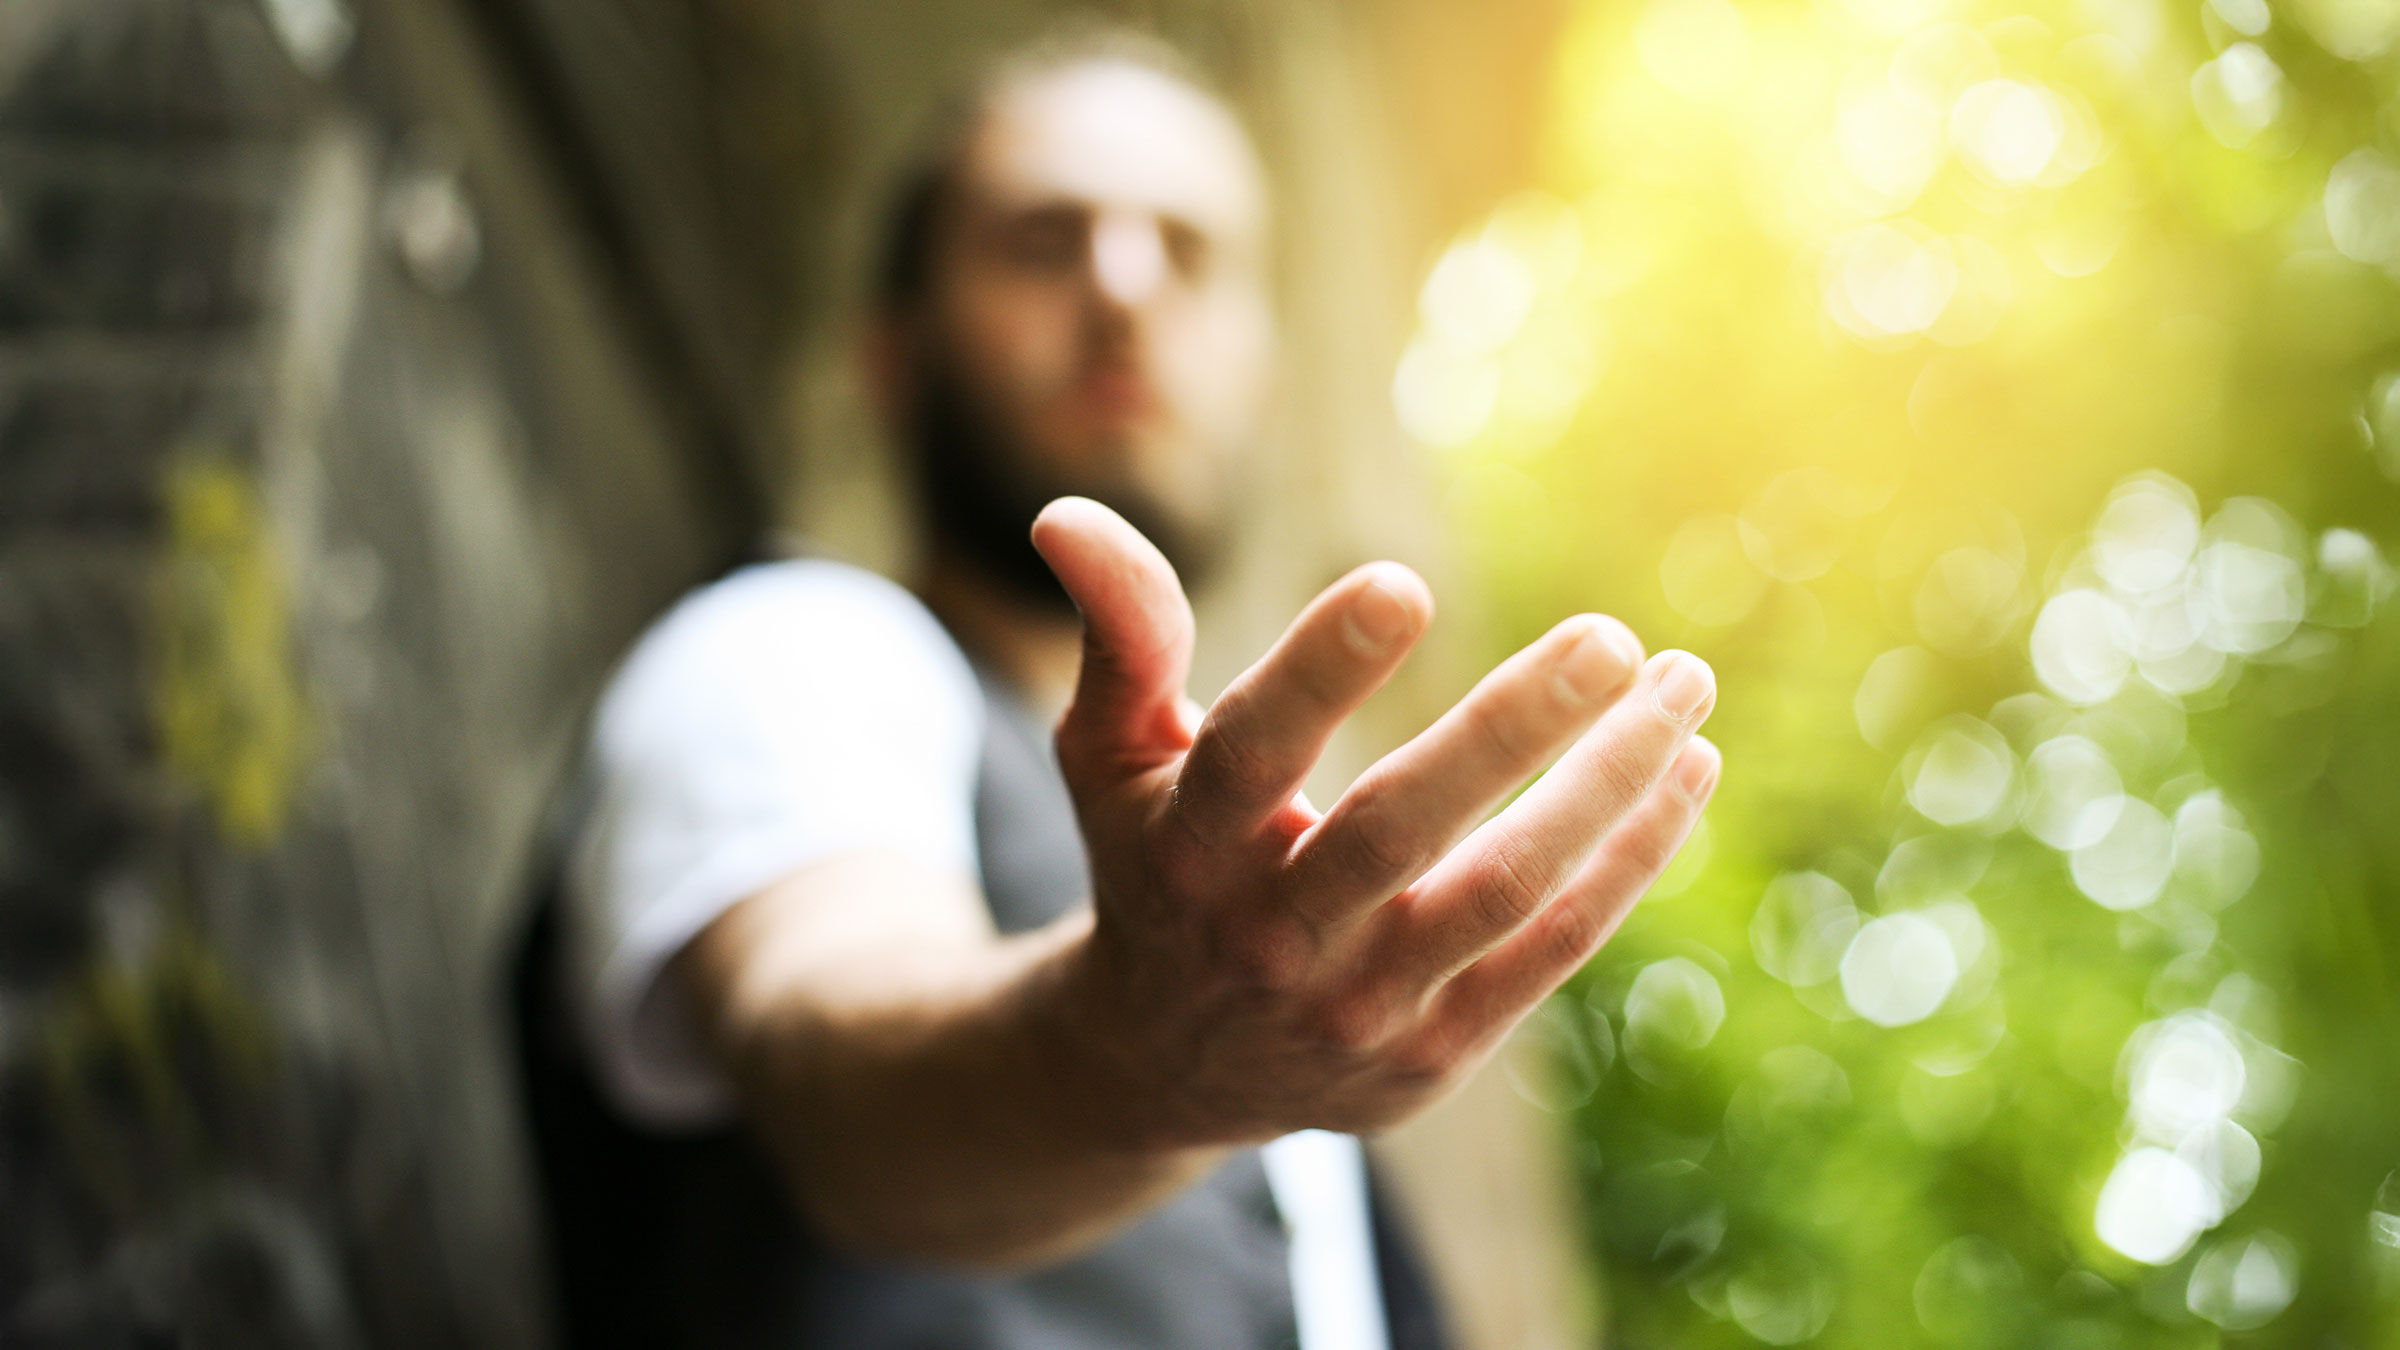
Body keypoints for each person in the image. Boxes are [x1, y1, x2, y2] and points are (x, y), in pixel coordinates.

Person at [536, 28, 1720, 1350]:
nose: (1122, 286)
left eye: (1190, 251)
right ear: (894, 354)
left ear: (1266, 375)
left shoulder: (1287, 1012)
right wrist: (1126, 1061)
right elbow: (827, 1046)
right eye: (1043, 239)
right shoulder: (797, 650)